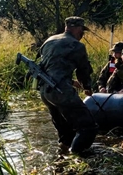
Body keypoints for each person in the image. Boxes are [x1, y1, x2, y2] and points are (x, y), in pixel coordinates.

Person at [36, 17, 97, 155]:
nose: (82, 33)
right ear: (76, 28)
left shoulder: (49, 41)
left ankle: (63, 157)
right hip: (61, 92)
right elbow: (83, 70)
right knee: (88, 127)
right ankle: (76, 155)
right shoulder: (77, 46)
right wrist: (87, 87)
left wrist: (70, 82)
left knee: (66, 132)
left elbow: (51, 66)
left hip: (45, 91)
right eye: (82, 30)